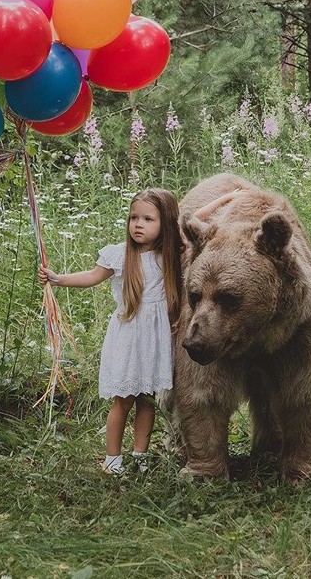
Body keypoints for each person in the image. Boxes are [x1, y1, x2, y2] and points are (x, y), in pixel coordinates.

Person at [38, 188, 183, 475]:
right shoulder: (120, 255)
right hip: (129, 339)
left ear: (165, 223)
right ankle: (112, 460)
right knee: (123, 400)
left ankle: (140, 456)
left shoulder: (169, 256)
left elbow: (196, 217)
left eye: (148, 219)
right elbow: (91, 277)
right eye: (134, 218)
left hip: (154, 340)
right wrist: (57, 278)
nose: (138, 224)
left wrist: (228, 196)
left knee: (147, 398)